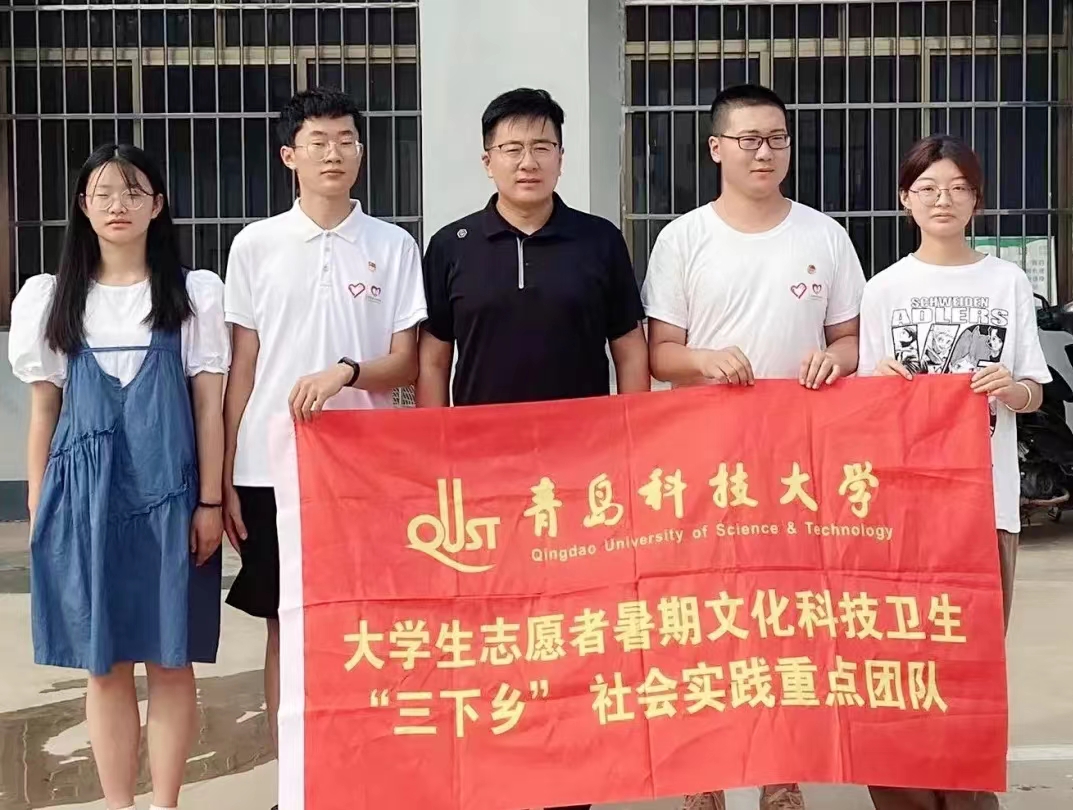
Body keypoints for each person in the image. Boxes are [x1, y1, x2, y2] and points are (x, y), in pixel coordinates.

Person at [415, 87, 650, 810]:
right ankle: (502, 770)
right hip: (483, 478)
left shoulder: (598, 241)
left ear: (561, 158)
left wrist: (631, 442)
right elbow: (432, 360)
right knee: (494, 626)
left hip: (580, 478)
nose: (528, 162)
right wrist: (437, 454)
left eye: (542, 147)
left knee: (572, 627)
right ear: (487, 160)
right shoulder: (452, 246)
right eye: (512, 149)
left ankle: (570, 780)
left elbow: (630, 350)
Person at [642, 83, 869, 810]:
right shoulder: (684, 239)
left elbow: (851, 338)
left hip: (796, 461)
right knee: (703, 613)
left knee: (786, 613)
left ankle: (781, 771)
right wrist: (706, 360)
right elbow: (660, 354)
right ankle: (702, 773)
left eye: (776, 138)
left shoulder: (824, 236)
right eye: (748, 139)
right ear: (716, 148)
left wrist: (837, 359)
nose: (763, 152)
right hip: (704, 459)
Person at [8, 143, 229, 810]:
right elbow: (44, 412)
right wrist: (40, 506)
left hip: (171, 497)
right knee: (102, 666)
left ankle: (165, 803)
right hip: (83, 501)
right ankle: (117, 804)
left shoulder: (193, 294)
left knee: (170, 659)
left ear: (157, 205)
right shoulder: (52, 299)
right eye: (103, 193)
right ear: (83, 206)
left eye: (133, 193)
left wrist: (210, 502)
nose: (117, 206)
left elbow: (209, 409)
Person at [222, 87, 427, 805]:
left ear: (361, 152)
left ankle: (363, 770)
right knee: (287, 624)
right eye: (317, 141)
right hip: (269, 467)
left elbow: (405, 364)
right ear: (290, 156)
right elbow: (243, 367)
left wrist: (346, 371)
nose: (333, 153)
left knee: (363, 622)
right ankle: (298, 781)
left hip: (364, 469)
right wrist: (224, 478)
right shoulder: (255, 245)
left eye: (345, 139)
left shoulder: (392, 246)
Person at [858, 134, 1048, 810]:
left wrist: (1010, 388)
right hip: (905, 510)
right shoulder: (884, 289)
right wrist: (881, 387)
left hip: (985, 504)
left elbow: (1034, 388)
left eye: (958, 188)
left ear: (977, 201)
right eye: (928, 188)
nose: (943, 199)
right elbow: (864, 407)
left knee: (971, 667)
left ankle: (967, 800)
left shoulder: (1006, 282)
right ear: (904, 199)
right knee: (903, 659)